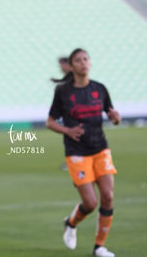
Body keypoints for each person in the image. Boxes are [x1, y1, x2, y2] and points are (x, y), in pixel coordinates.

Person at [46, 48, 121, 257]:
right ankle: (70, 223)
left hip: (100, 148)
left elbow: (113, 116)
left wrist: (116, 118)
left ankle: (99, 247)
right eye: (78, 60)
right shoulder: (63, 92)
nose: (83, 63)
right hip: (76, 151)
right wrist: (67, 130)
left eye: (86, 59)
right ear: (72, 66)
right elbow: (50, 122)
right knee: (90, 203)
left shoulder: (100, 89)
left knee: (107, 197)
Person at [52, 57, 73, 171]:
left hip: (74, 114)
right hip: (69, 114)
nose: (60, 67)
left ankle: (72, 162)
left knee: (72, 138)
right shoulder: (69, 78)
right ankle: (71, 162)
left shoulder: (73, 78)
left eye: (61, 64)